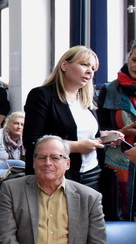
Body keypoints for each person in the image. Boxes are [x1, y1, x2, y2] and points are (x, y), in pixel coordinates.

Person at [22, 46, 104, 188]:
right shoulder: (42, 95)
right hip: (57, 176)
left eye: (93, 68)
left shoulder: (88, 99)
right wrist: (76, 147)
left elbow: (81, 133)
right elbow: (32, 141)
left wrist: (105, 135)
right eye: (84, 64)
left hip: (93, 172)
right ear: (64, 65)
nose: (90, 71)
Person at [97, 38, 136, 220]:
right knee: (119, 219)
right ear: (128, 58)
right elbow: (98, 133)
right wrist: (123, 131)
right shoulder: (109, 90)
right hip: (118, 164)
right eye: (135, 60)